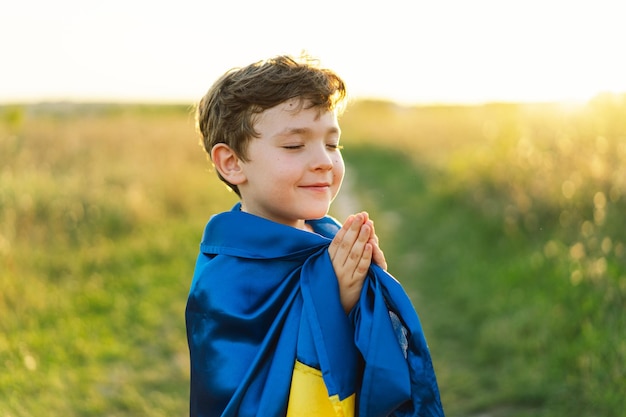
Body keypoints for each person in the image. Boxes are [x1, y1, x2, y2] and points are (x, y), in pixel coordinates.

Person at [185, 54, 444, 417]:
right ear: (232, 163)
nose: (324, 160)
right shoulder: (224, 278)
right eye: (294, 145)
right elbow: (240, 394)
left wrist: (369, 294)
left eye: (333, 144)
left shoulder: (329, 237)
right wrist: (332, 297)